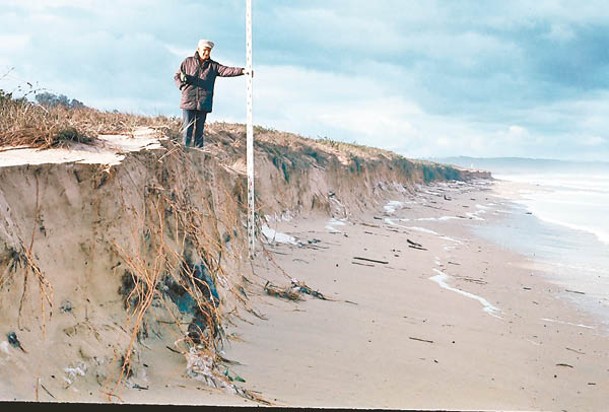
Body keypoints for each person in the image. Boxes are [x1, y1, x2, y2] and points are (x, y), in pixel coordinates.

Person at [174, 39, 250, 148]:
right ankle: (185, 153)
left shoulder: (213, 66)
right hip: (188, 100)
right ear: (198, 49)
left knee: (199, 132)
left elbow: (227, 70)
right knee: (187, 130)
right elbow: (177, 76)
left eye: (209, 51)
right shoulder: (187, 62)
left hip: (204, 102)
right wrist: (181, 86)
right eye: (205, 50)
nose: (206, 53)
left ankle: (199, 154)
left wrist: (242, 71)